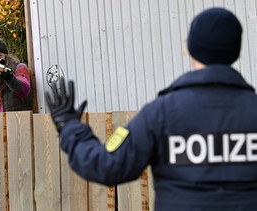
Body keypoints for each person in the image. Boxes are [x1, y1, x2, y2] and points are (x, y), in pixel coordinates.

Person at [45, 8, 257, 210]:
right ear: (235, 51)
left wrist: (69, 127)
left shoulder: (160, 113)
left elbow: (107, 165)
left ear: (191, 49)